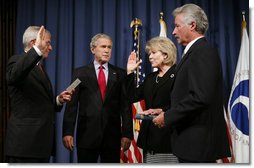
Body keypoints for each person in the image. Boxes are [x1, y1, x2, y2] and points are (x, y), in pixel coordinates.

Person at [152, 4, 231, 162]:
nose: (173, 32)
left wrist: (168, 116)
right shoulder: (195, 52)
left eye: (177, 26)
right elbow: (188, 95)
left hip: (199, 145)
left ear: (192, 25)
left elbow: (200, 97)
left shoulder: (203, 52)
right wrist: (163, 110)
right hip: (192, 143)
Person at [5, 26, 73, 163]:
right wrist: (36, 50)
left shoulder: (38, 67)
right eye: (48, 43)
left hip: (40, 145)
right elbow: (13, 76)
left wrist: (58, 100)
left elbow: (38, 103)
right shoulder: (16, 61)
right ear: (33, 42)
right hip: (25, 145)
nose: (51, 48)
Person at [62, 33, 133, 163]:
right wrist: (68, 132)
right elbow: (71, 104)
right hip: (86, 136)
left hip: (112, 136)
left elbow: (126, 106)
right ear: (93, 49)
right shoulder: (79, 73)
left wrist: (127, 133)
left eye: (109, 47)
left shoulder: (120, 74)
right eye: (103, 46)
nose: (107, 50)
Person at [126, 36, 178, 163]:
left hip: (169, 140)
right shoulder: (150, 77)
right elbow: (131, 96)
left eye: (153, 53)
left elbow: (184, 104)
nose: (149, 56)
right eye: (149, 53)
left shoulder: (179, 75)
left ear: (165, 55)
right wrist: (129, 72)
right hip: (149, 140)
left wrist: (161, 110)